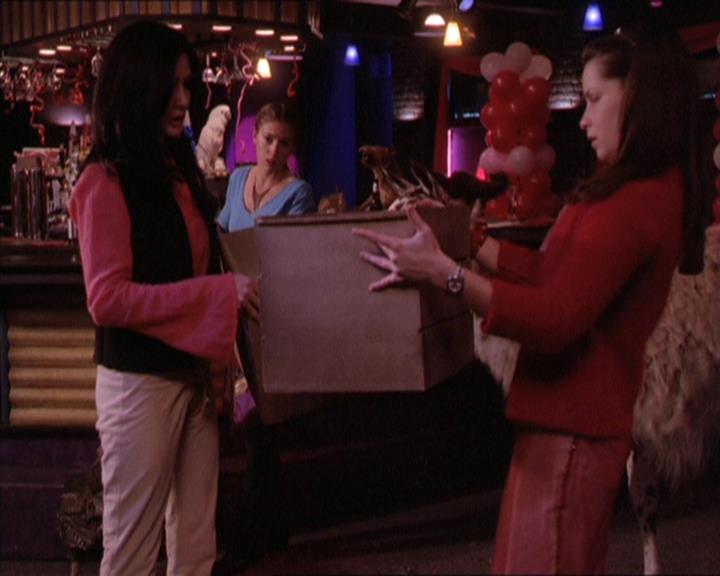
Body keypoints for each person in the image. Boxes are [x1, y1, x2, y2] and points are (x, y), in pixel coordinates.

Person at [353, 25, 712, 574]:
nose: (583, 119)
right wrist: (471, 240)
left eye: (594, 99)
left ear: (639, 99)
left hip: (572, 436)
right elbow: (555, 275)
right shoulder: (637, 192)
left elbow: (556, 318)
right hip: (563, 431)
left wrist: (447, 274)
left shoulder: (635, 201)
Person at [69, 20, 259, 575]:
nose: (183, 99)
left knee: (196, 548)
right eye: (170, 86)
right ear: (137, 87)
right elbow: (107, 300)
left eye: (186, 85)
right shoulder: (104, 179)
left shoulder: (177, 170)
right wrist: (217, 294)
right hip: (139, 385)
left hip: (193, 378)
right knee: (131, 555)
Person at [217, 101, 316, 564]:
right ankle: (275, 530)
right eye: (269, 139)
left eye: (284, 143)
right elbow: (221, 236)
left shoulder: (299, 193)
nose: (274, 150)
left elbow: (291, 259)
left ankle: (243, 542)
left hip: (271, 316)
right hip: (233, 313)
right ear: (253, 138)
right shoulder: (238, 180)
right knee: (255, 429)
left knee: (261, 428)